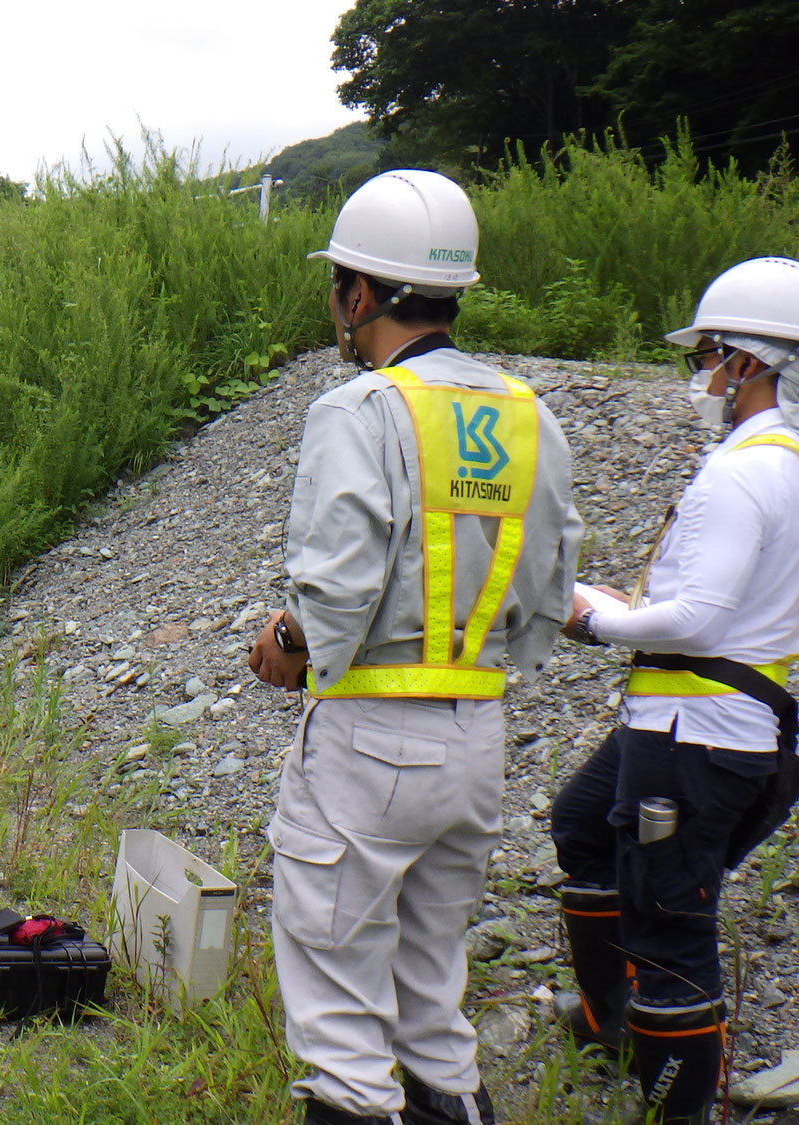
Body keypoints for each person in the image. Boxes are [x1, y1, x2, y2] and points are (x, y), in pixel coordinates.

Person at [247, 169, 581, 1125]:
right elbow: (547, 591)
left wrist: (286, 639)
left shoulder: (360, 410)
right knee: (431, 1004)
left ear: (360, 295)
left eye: (338, 288)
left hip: (368, 739)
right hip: (477, 729)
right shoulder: (530, 415)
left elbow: (337, 596)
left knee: (343, 1026)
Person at [550, 257, 799, 1124]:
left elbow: (696, 620)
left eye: (706, 357)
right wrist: (636, 609)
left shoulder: (742, 475)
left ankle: (674, 1102)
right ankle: (610, 1021)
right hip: (715, 721)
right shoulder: (782, 465)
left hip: (695, 733)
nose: (699, 376)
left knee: (669, 926)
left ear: (748, 361)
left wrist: (594, 620)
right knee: (582, 824)